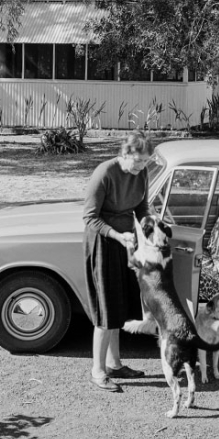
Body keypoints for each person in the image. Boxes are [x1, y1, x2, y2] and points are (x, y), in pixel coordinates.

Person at [84, 130, 154, 392]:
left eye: (145, 162)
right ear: (125, 154)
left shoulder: (142, 172)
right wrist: (116, 234)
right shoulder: (105, 173)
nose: (140, 167)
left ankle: (114, 364)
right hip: (102, 242)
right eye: (137, 162)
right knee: (106, 308)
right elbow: (89, 217)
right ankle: (98, 371)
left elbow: (142, 208)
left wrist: (150, 228)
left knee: (120, 307)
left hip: (126, 241)